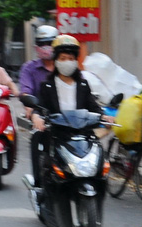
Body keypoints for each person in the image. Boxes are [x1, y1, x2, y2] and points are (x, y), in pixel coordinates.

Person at [30, 35, 106, 186]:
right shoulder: (47, 85)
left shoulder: (83, 85)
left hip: (81, 133)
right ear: (56, 60)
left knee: (99, 151)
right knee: (37, 138)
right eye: (63, 58)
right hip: (56, 132)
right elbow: (39, 108)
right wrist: (37, 117)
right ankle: (39, 185)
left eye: (70, 58)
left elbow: (93, 106)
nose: (67, 62)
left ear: (76, 60)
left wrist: (105, 116)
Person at [19, 25, 59, 185]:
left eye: (50, 43)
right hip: (41, 115)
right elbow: (26, 93)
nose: (46, 47)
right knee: (37, 137)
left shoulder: (66, 66)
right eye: (42, 44)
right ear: (37, 46)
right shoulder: (29, 68)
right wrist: (32, 111)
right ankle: (38, 186)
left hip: (66, 116)